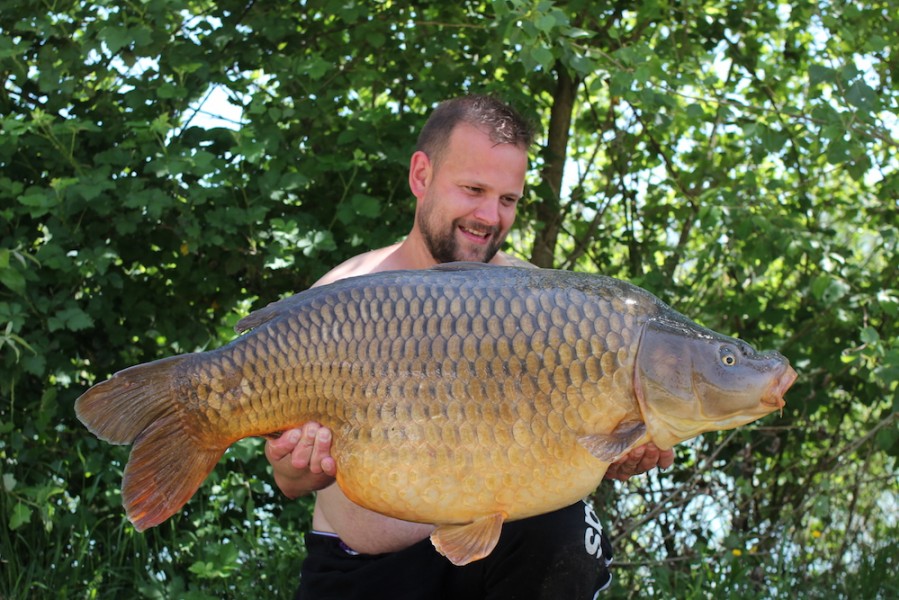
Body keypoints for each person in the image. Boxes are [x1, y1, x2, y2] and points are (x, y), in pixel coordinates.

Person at [265, 95, 675, 599]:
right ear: (421, 176)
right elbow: (289, 481)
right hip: (362, 574)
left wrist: (620, 447)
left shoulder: (545, 301)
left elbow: (579, 442)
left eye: (508, 200)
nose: (489, 215)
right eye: (474, 189)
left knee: (569, 528)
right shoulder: (344, 297)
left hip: (498, 561)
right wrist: (297, 465)